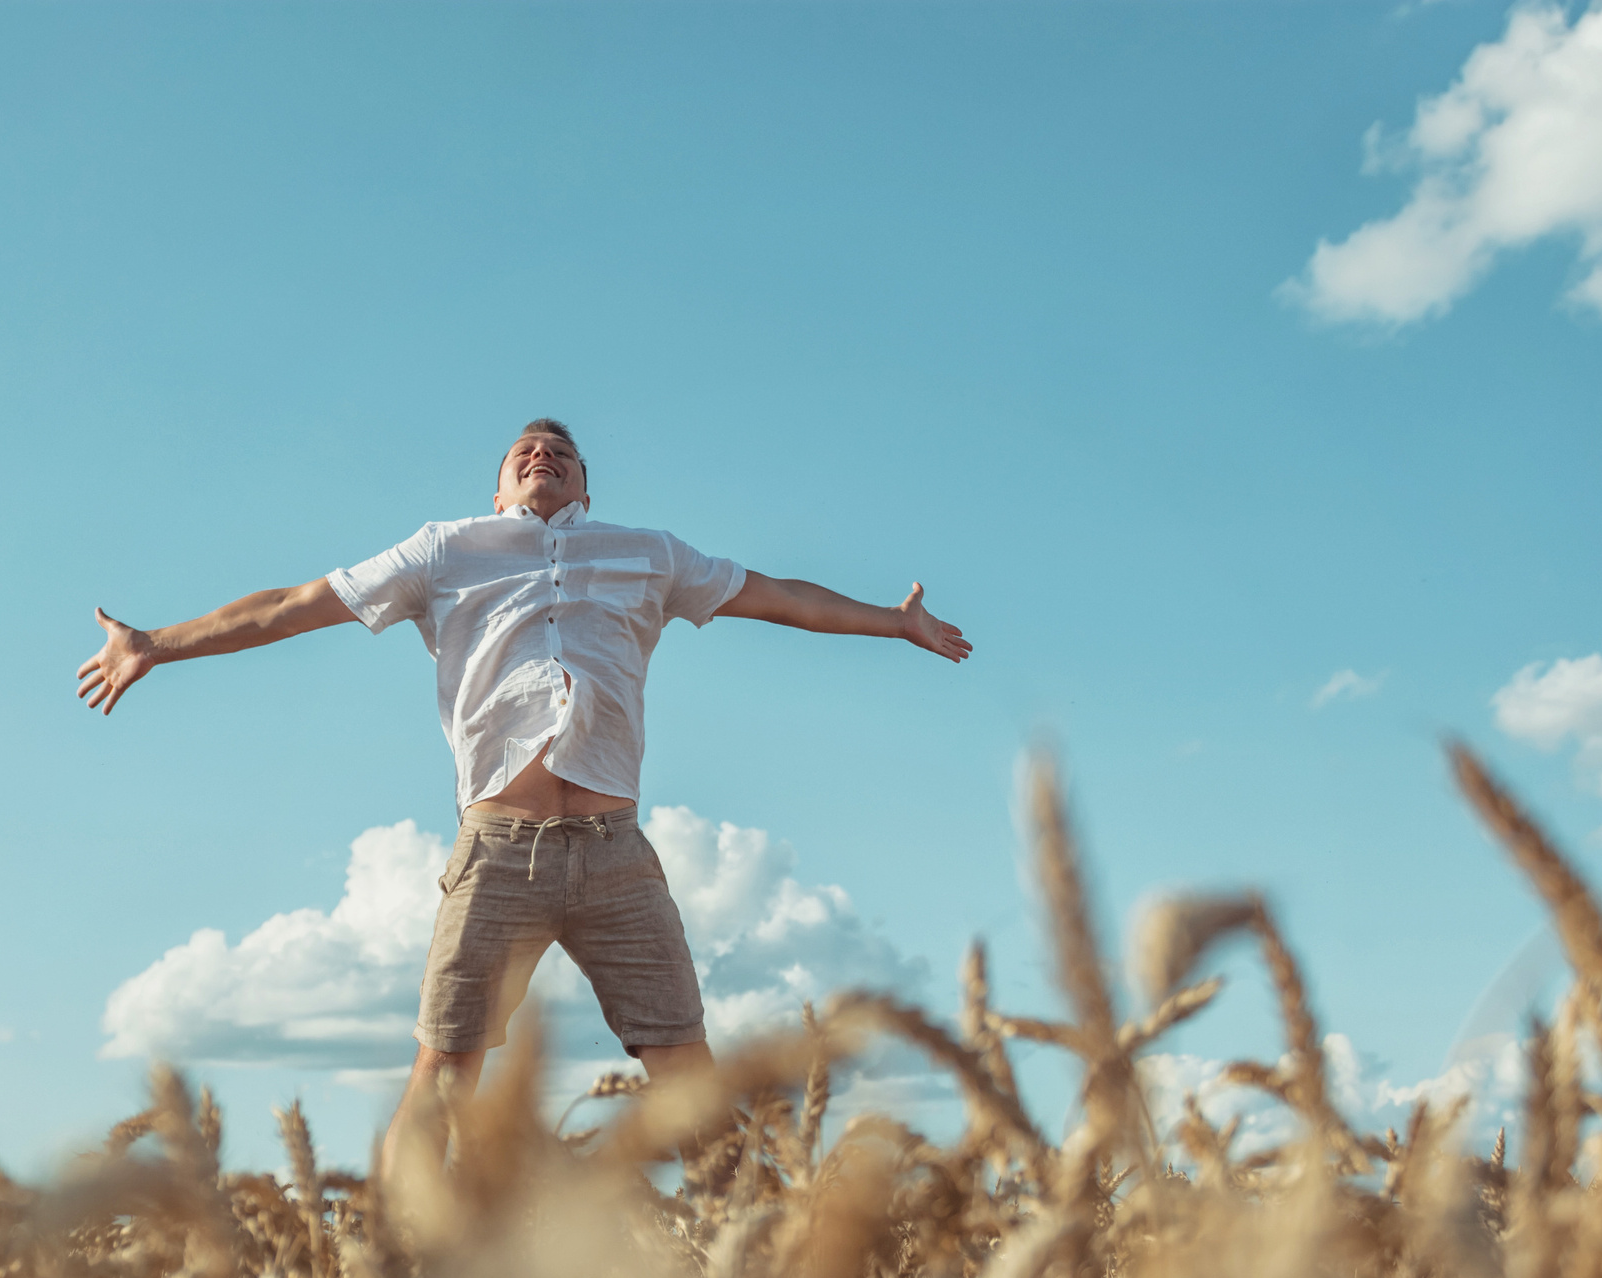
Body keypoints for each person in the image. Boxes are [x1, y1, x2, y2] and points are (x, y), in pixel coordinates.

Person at [78, 419, 970, 1137]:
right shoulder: (443, 550)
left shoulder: (648, 553)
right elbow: (287, 607)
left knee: (689, 1081)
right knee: (443, 1076)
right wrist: (154, 643)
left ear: (585, 487)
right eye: (523, 454)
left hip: (618, 860)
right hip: (498, 854)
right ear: (500, 489)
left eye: (562, 453)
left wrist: (894, 625)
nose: (542, 455)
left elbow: (775, 594)